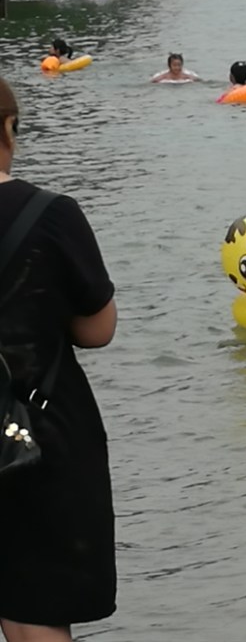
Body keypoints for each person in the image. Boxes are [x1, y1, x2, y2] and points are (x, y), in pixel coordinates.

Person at [0, 76, 118, 642]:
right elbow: (98, 329)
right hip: (38, 430)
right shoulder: (51, 213)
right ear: (8, 128)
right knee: (35, 610)